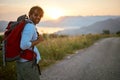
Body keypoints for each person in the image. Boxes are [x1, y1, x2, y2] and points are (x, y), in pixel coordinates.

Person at [16, 6, 44, 80]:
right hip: (27, 63)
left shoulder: (26, 24)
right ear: (30, 14)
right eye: (36, 15)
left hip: (22, 62)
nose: (38, 17)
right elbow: (23, 45)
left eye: (40, 16)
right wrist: (38, 40)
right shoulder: (30, 26)